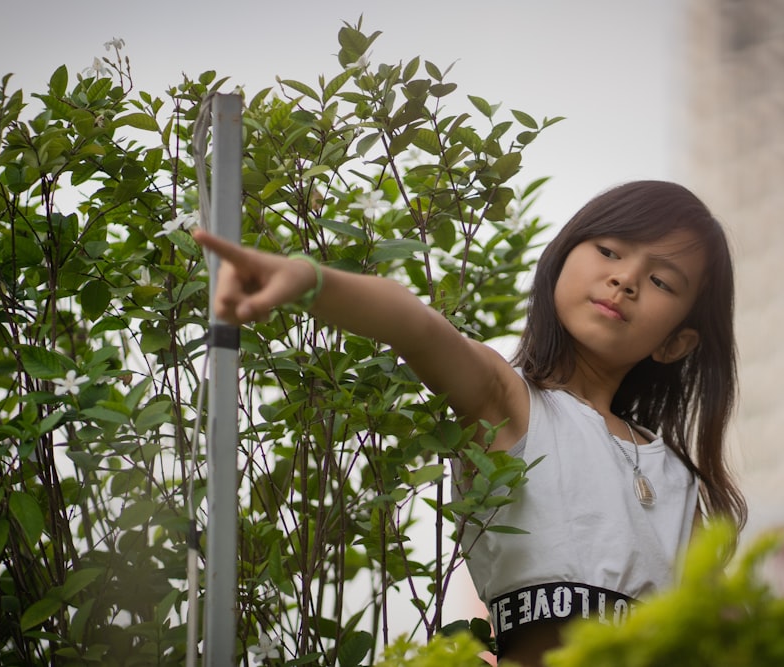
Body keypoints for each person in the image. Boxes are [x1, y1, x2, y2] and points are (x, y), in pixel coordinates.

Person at [193, 180, 747, 666]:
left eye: (662, 282)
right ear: (560, 259)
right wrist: (309, 280)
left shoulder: (678, 479)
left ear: (677, 343)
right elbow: (413, 323)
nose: (625, 279)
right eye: (609, 250)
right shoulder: (510, 401)